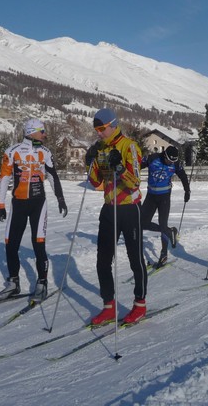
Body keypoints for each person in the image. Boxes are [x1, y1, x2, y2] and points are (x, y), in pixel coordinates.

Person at [85, 108, 146, 325]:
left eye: (102, 129)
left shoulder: (129, 146)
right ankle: (108, 306)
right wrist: (91, 161)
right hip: (109, 208)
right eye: (96, 129)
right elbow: (94, 182)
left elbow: (135, 183)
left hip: (129, 207)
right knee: (102, 260)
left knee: (135, 259)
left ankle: (140, 304)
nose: (99, 133)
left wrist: (119, 167)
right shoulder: (100, 147)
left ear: (113, 125)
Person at [0, 119, 68, 301]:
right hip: (18, 203)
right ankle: (13, 282)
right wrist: (0, 204)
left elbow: (52, 176)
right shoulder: (12, 151)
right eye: (42, 131)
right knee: (11, 243)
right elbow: (4, 178)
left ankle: (42, 282)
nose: (45, 134)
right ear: (32, 132)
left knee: (39, 243)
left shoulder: (45, 152)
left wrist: (60, 199)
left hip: (38, 204)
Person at [140, 145, 190, 268]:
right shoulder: (152, 158)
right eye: (169, 160)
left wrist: (187, 190)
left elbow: (183, 176)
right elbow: (137, 166)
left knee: (162, 223)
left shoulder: (175, 163)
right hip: (151, 195)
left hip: (164, 196)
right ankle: (169, 231)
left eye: (173, 161)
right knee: (142, 223)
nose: (170, 163)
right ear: (164, 155)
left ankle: (163, 254)